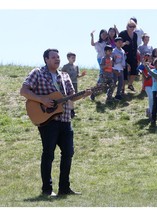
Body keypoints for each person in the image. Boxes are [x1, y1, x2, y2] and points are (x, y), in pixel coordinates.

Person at [20, 48, 91, 197]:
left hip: (65, 119)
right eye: (53, 57)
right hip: (47, 120)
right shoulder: (37, 73)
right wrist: (42, 100)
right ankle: (47, 189)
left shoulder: (64, 76)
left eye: (58, 57)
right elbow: (24, 91)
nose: (57, 60)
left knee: (68, 153)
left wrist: (83, 94)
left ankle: (64, 188)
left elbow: (71, 97)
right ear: (46, 59)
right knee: (48, 154)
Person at [61, 52, 87, 118]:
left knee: (73, 98)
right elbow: (61, 74)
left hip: (75, 83)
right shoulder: (65, 66)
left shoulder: (76, 67)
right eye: (72, 58)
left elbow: (77, 76)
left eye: (75, 58)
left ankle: (71, 111)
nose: (74, 59)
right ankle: (70, 111)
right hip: (67, 84)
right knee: (69, 97)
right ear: (68, 58)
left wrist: (82, 75)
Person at [119, 19, 139, 93]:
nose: (132, 28)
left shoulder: (135, 35)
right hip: (124, 55)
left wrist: (137, 53)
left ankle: (130, 84)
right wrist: (124, 43)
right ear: (127, 26)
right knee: (124, 72)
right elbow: (118, 45)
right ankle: (122, 89)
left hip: (133, 55)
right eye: (130, 26)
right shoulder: (122, 34)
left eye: (134, 26)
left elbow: (135, 45)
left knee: (134, 70)